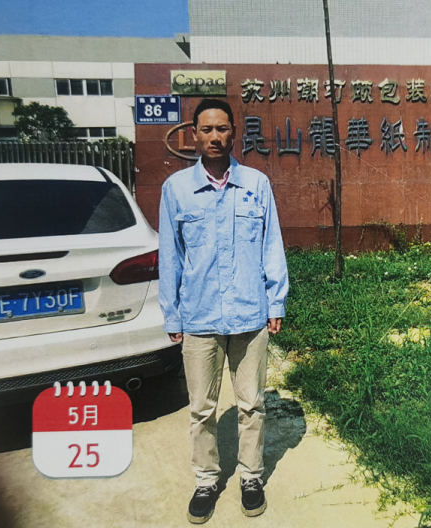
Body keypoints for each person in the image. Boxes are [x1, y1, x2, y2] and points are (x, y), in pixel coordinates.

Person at [158, 98, 288, 524]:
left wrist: (276, 301)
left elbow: (271, 246)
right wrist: (172, 314)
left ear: (234, 133)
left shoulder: (256, 184)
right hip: (199, 317)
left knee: (252, 404)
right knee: (202, 408)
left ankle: (251, 476)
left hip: (250, 314)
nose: (215, 137)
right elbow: (170, 257)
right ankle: (207, 479)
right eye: (207, 129)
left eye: (222, 129)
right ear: (194, 135)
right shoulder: (176, 189)